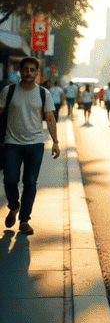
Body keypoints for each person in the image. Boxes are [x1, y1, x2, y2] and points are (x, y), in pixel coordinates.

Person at [1, 56, 59, 235]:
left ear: (37, 73)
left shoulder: (44, 93)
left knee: (30, 183)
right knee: (10, 180)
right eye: (26, 69)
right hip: (12, 144)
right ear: (20, 71)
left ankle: (24, 220)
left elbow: (50, 118)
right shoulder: (8, 91)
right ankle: (14, 206)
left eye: (33, 70)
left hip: (35, 145)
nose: (29, 73)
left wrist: (56, 142)